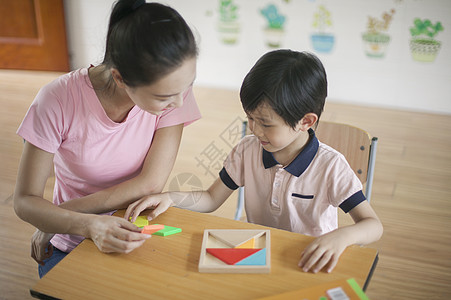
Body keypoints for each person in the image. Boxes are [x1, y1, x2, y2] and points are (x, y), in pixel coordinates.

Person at [124, 49, 383, 274]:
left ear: (306, 122)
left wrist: (341, 238)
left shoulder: (331, 167)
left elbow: (372, 225)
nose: (255, 130)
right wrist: (171, 197)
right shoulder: (247, 150)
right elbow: (211, 198)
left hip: (308, 260)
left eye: (266, 124)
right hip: (256, 252)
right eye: (251, 118)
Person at [13, 0, 200, 278]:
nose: (179, 101)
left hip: (136, 234)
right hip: (71, 243)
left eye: (186, 87)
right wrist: (82, 225)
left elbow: (149, 183)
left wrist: (54, 220)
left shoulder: (175, 93)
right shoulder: (56, 100)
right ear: (120, 78)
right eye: (163, 96)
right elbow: (25, 200)